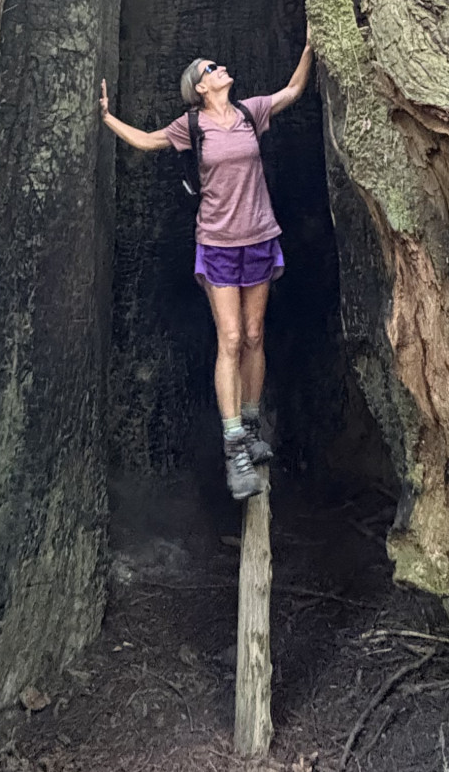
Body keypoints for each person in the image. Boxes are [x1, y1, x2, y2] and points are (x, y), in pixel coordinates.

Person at [99, 34, 314, 499]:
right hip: (218, 243)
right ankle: (234, 445)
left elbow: (293, 91)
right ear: (200, 86)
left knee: (254, 334)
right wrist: (108, 117)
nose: (220, 69)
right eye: (210, 68)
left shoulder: (250, 112)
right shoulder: (192, 125)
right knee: (230, 338)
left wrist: (310, 46)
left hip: (260, 236)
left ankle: (251, 426)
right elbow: (149, 141)